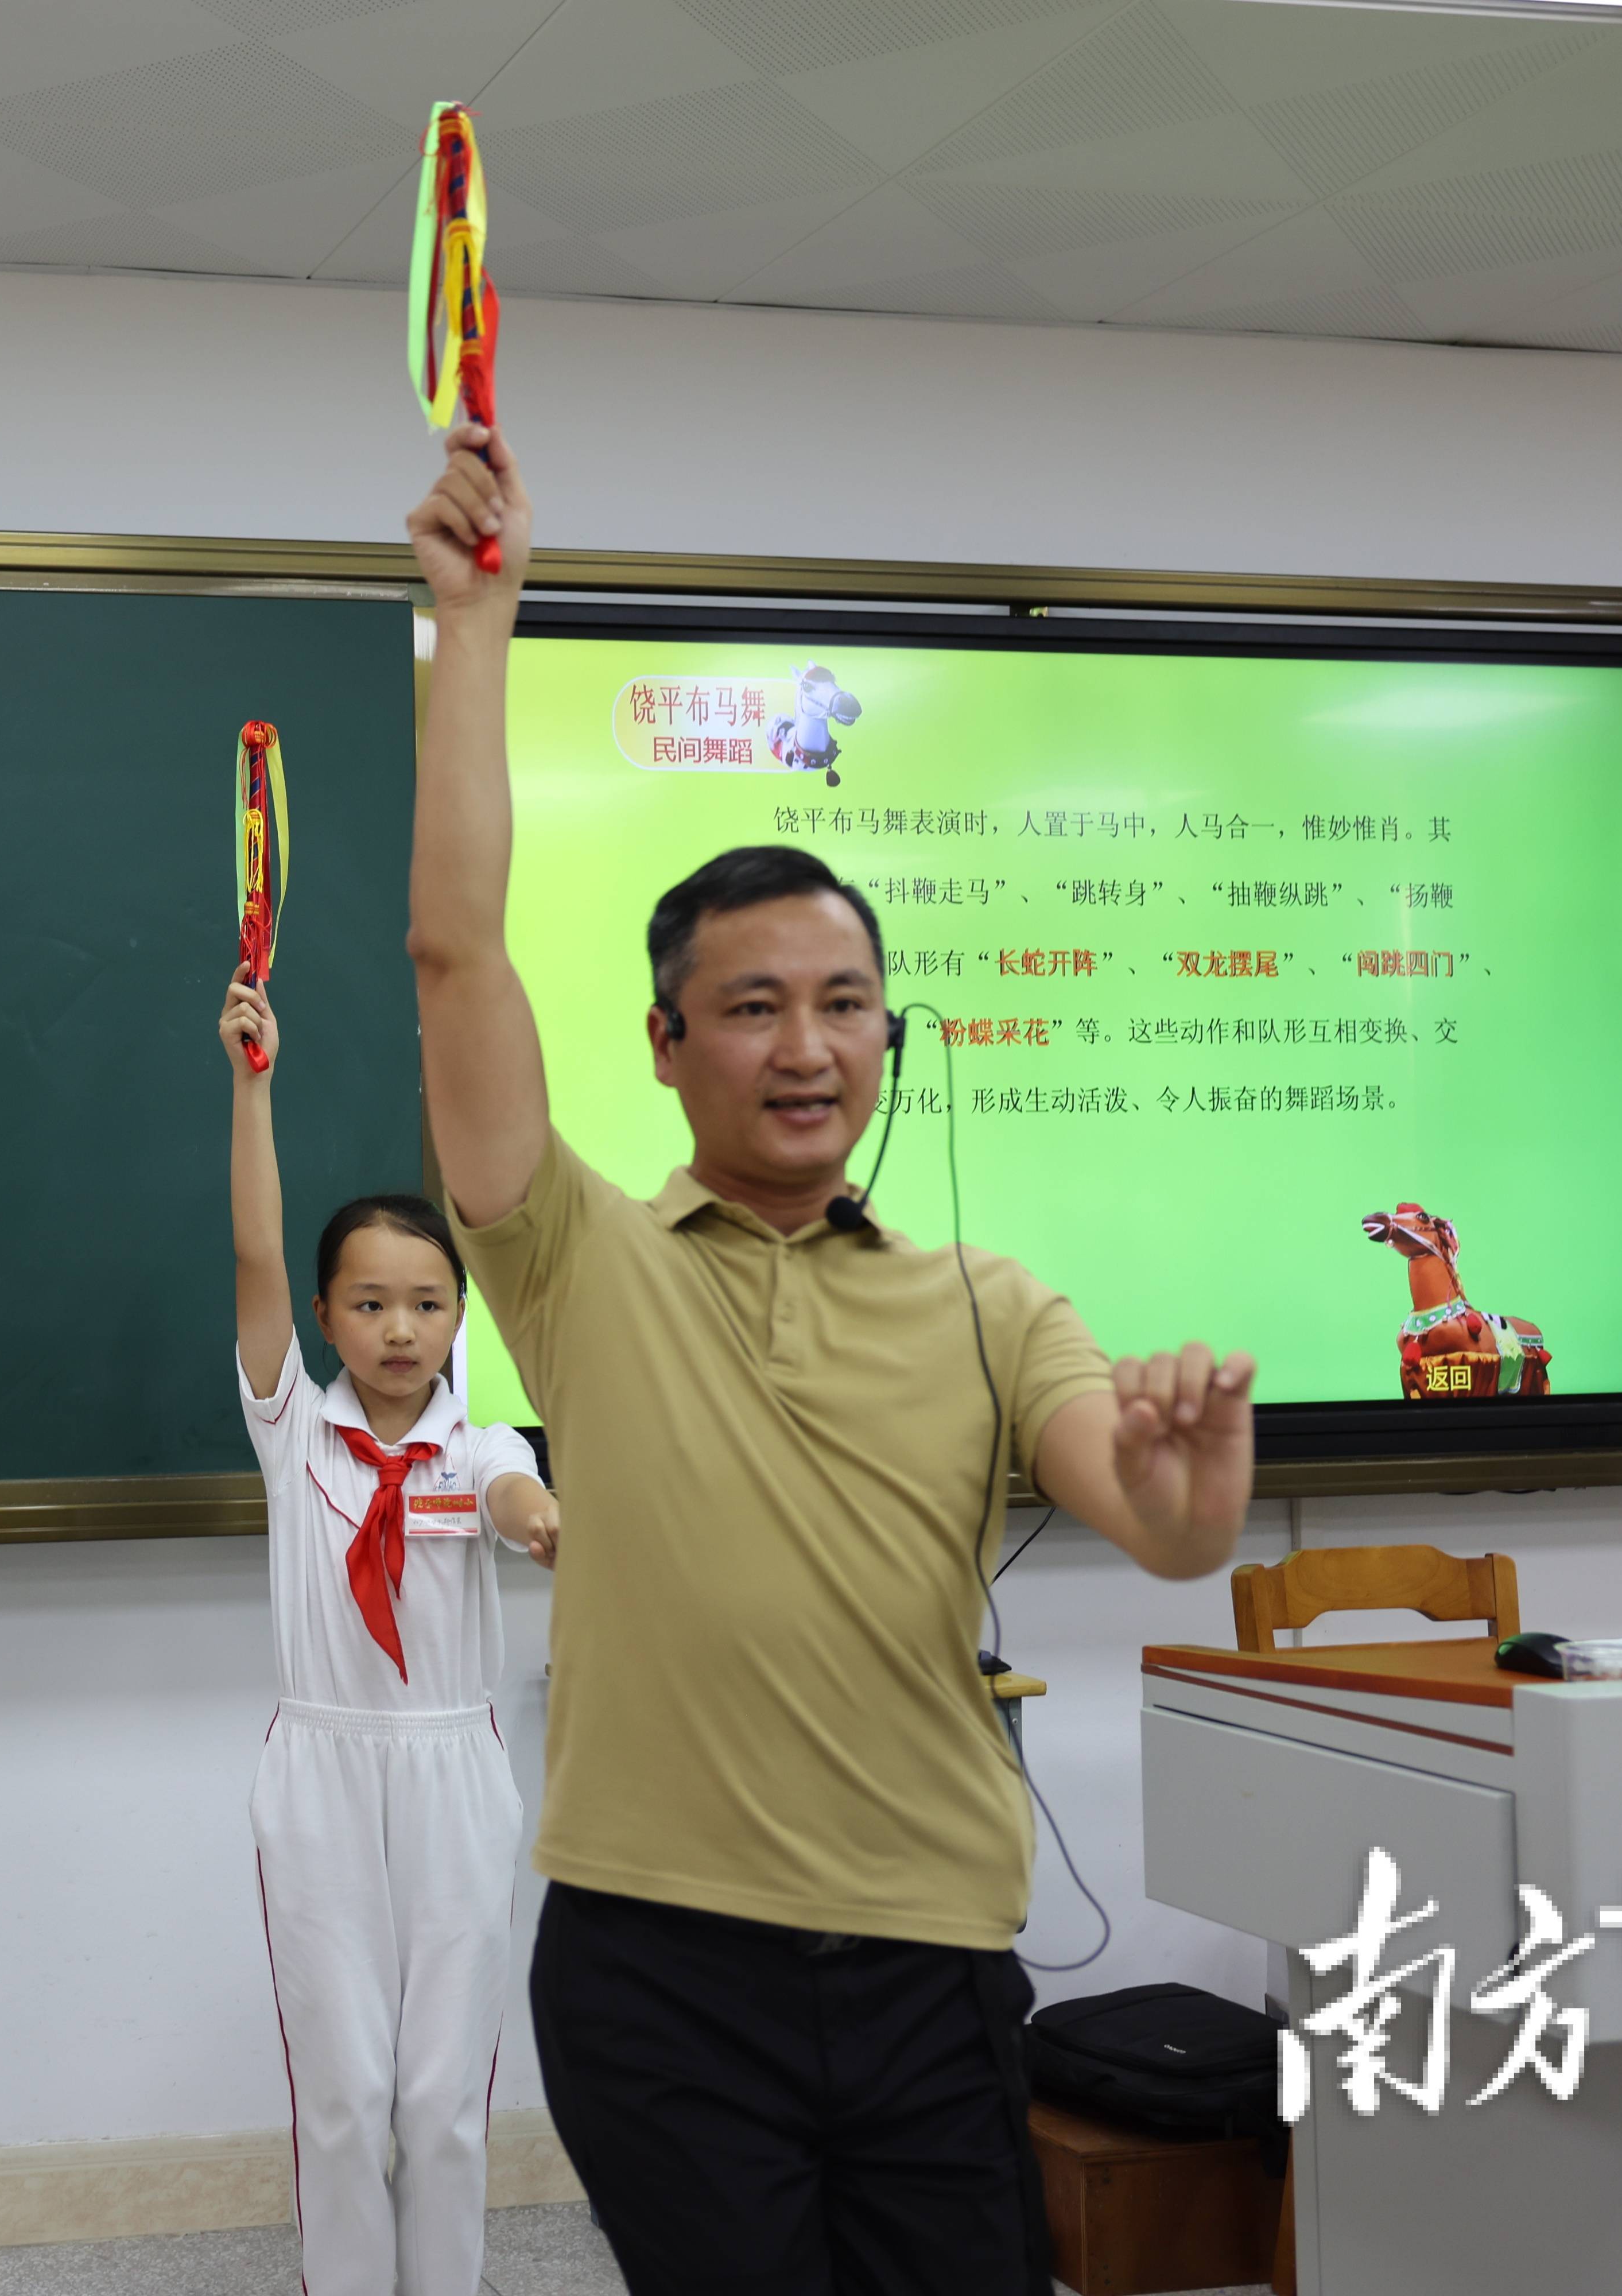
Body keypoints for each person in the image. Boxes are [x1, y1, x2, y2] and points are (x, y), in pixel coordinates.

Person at [401, 425, 1259, 2295]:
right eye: (751, 1007)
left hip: (930, 1956)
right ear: (660, 1040)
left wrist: (1190, 1507)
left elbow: (1150, 1516)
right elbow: (453, 956)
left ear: (890, 1031)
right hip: (656, 1959)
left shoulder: (987, 1297)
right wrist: (474, 629)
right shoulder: (578, 1261)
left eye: (844, 1003)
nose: (805, 1045)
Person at [220, 974, 562, 2296]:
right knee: (346, 2097)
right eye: (368, 1303)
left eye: (425, 1302)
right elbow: (254, 1249)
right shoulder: (291, 1428)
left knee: (439, 2100)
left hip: (450, 1771)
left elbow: (513, 1491)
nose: (399, 1326)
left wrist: (541, 1520)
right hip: (319, 1771)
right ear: (324, 1318)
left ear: (456, 1319)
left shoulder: (476, 1443)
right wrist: (253, 1084)